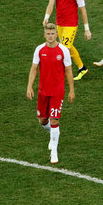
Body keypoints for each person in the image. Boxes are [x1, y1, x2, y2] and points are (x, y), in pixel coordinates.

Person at [26, 24, 75, 165]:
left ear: (56, 35)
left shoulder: (63, 51)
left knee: (54, 119)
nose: (51, 36)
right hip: (43, 91)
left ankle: (54, 151)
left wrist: (71, 90)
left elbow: (68, 71)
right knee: (42, 120)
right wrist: (30, 86)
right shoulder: (39, 50)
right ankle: (54, 132)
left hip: (57, 91)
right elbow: (34, 68)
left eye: (53, 33)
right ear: (44, 35)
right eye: (48, 33)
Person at [43, 0, 91, 81]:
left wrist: (86, 29)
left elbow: (82, 9)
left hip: (71, 24)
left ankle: (60, 72)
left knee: (64, 48)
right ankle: (82, 68)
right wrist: (46, 17)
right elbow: (51, 3)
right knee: (68, 47)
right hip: (59, 23)